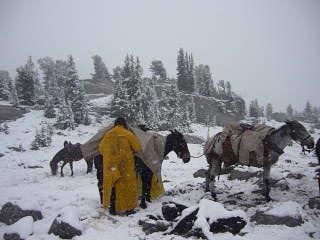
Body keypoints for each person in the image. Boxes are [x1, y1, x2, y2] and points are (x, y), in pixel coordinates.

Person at [98, 117, 142, 215]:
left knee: (112, 186)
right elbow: (137, 147)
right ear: (124, 124)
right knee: (128, 186)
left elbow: (101, 150)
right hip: (125, 165)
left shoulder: (107, 134)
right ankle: (128, 208)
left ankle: (112, 208)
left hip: (110, 166)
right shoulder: (128, 134)